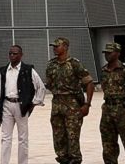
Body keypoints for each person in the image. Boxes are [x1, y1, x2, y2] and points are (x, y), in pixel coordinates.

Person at [44, 36, 94, 164]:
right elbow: (49, 83)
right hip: (57, 103)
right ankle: (62, 159)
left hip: (72, 104)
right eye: (54, 46)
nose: (54, 48)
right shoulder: (51, 64)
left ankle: (75, 160)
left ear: (65, 47)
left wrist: (87, 104)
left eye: (57, 46)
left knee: (72, 137)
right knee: (58, 136)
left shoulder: (74, 64)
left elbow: (89, 83)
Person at [0, 44, 45, 164]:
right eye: (10, 53)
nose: (12, 56)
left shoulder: (28, 70)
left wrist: (34, 103)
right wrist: (0, 107)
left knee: (23, 138)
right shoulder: (4, 70)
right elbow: (0, 90)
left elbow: (40, 87)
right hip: (7, 105)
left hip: (21, 106)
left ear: (21, 55)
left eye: (15, 53)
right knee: (5, 138)